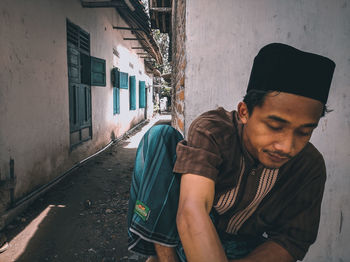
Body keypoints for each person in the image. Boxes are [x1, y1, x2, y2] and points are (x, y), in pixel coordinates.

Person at [127, 43, 336, 262]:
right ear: (244, 112)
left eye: (304, 132)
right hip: (183, 235)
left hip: (244, 249)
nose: (286, 146)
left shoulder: (309, 166)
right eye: (275, 126)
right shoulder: (214, 130)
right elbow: (193, 209)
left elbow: (292, 240)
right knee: (161, 138)